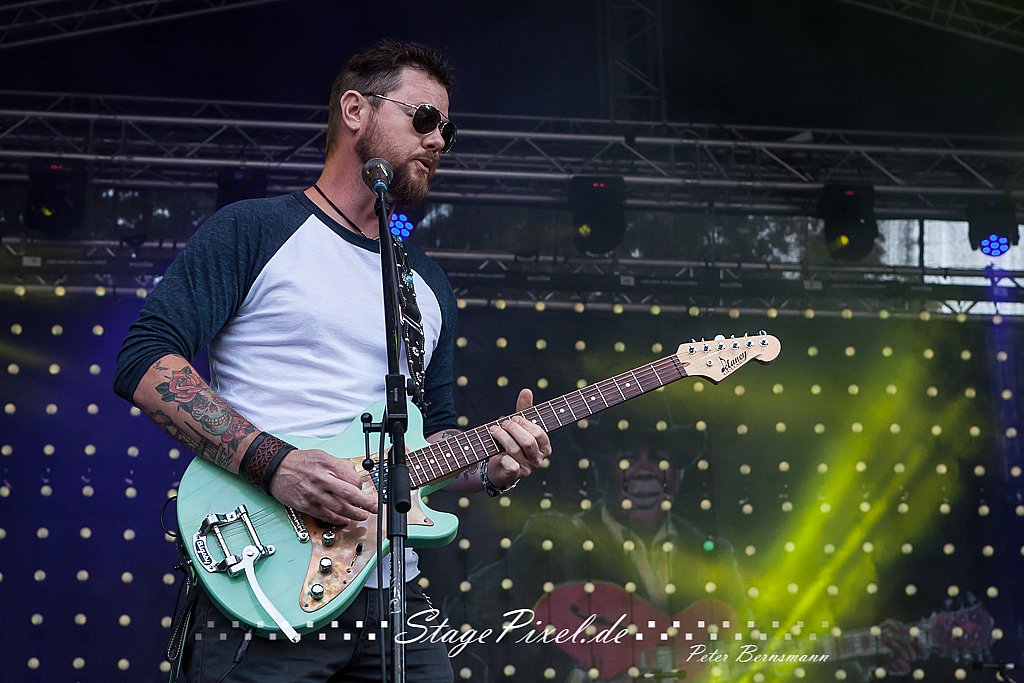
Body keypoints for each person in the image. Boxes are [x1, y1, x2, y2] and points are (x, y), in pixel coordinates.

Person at [113, 39, 551, 683]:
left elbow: (432, 446)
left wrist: (491, 466)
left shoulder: (427, 286)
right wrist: (276, 465)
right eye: (424, 118)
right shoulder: (255, 230)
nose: (438, 140)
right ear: (355, 110)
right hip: (266, 578)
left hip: (394, 596)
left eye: (447, 130)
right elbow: (146, 361)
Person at [450, 423, 748, 682]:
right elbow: (471, 612)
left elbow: (743, 638)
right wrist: (572, 670)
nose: (645, 471)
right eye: (628, 458)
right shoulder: (553, 541)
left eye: (659, 458)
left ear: (678, 474)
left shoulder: (711, 552)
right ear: (601, 472)